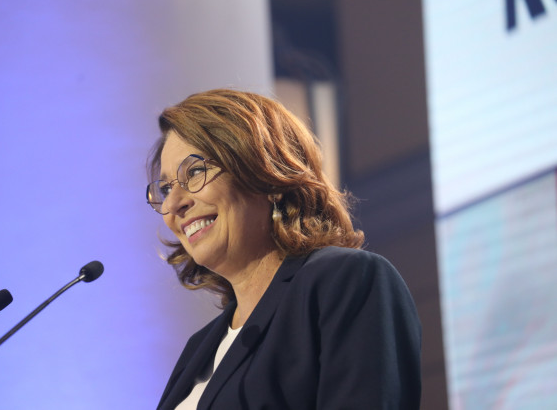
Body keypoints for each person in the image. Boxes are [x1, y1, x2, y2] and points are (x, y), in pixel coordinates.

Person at [146, 89, 421, 409]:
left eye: (194, 172)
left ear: (265, 172)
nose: (174, 204)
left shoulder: (345, 282)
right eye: (166, 188)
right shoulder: (199, 348)